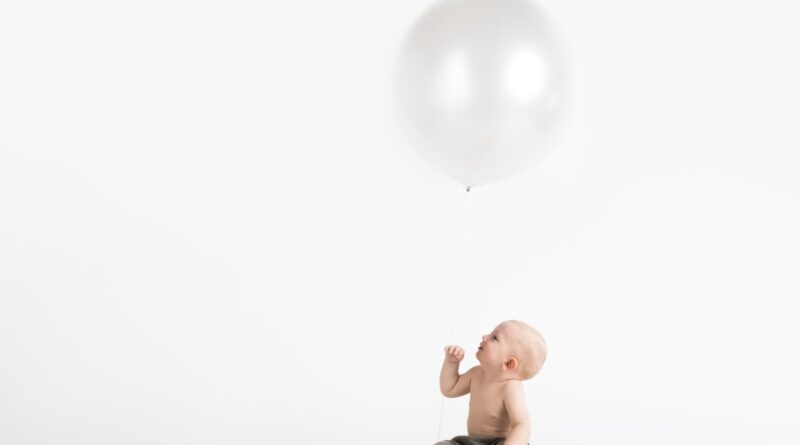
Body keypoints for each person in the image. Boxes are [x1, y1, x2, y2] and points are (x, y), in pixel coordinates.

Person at [436, 320, 547, 445]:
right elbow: (450, 388)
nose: (485, 336)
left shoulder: (510, 387)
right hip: (471, 441)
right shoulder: (476, 374)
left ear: (508, 363)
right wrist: (452, 363)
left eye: (494, 338)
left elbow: (521, 424)